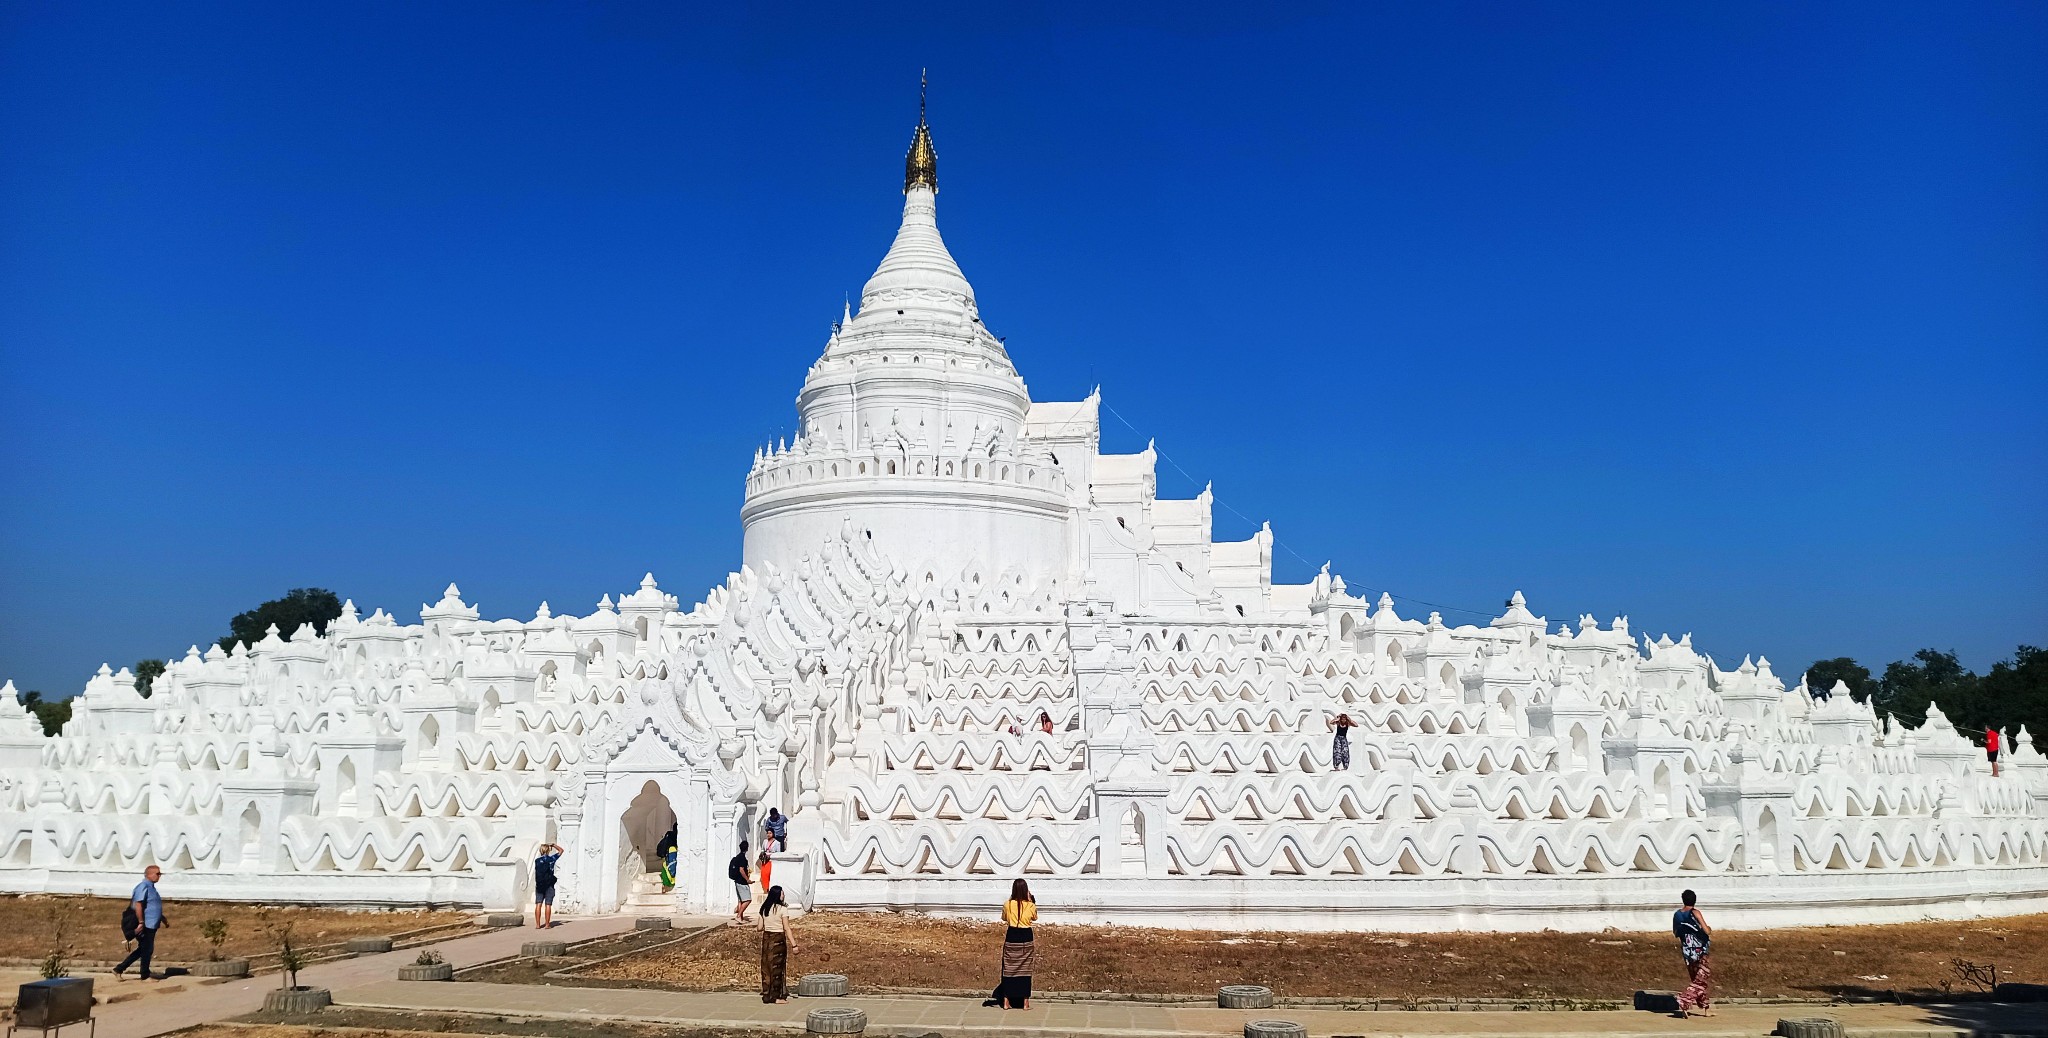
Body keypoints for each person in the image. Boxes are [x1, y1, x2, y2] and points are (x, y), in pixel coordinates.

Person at [982, 878, 1037, 1010]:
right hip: (1026, 936)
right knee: (1025, 969)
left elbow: (1005, 918)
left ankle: (1006, 1001)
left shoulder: (1007, 904)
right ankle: (1025, 1002)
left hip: (1012, 935)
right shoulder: (1031, 906)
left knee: (1009, 968)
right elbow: (1034, 918)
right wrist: (1030, 901)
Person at [114, 865, 166, 981]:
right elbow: (138, 905)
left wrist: (162, 918)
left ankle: (120, 969)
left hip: (152, 924)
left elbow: (151, 905)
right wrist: (141, 922)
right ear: (149, 874)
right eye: (157, 874)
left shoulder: (151, 887)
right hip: (145, 924)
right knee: (146, 949)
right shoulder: (143, 886)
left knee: (144, 949)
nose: (159, 876)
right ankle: (144, 975)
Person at [1673, 889, 1714, 1018]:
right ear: (1695, 900)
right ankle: (1684, 1000)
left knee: (1697, 979)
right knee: (1701, 980)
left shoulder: (1677, 915)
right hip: (1700, 950)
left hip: (1687, 951)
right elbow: (1706, 930)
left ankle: (1706, 1007)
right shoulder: (1695, 912)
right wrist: (1709, 929)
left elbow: (1675, 933)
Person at [758, 884, 797, 1003]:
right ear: (778, 896)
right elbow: (787, 928)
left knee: (766, 968)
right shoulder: (783, 909)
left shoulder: (764, 908)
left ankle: (767, 994)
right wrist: (794, 944)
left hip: (766, 940)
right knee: (777, 968)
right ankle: (776, 997)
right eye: (782, 893)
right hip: (778, 941)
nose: (783, 895)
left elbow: (759, 927)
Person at [533, 842, 564, 929]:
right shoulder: (551, 859)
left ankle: (538, 925)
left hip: (539, 885)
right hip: (549, 885)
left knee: (538, 904)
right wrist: (553, 845)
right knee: (548, 905)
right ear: (548, 850)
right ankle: (547, 924)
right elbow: (561, 850)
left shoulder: (537, 861)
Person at [728, 841, 754, 926]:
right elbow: (741, 870)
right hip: (742, 882)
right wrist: (747, 880)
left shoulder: (738, 857)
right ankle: (739, 915)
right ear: (747, 848)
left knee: (741, 900)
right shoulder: (742, 858)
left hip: (737, 881)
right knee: (748, 900)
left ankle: (740, 917)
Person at [657, 828, 678, 892]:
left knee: (666, 867)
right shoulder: (674, 836)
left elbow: (661, 851)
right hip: (673, 853)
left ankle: (665, 886)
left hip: (669, 855)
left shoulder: (669, 835)